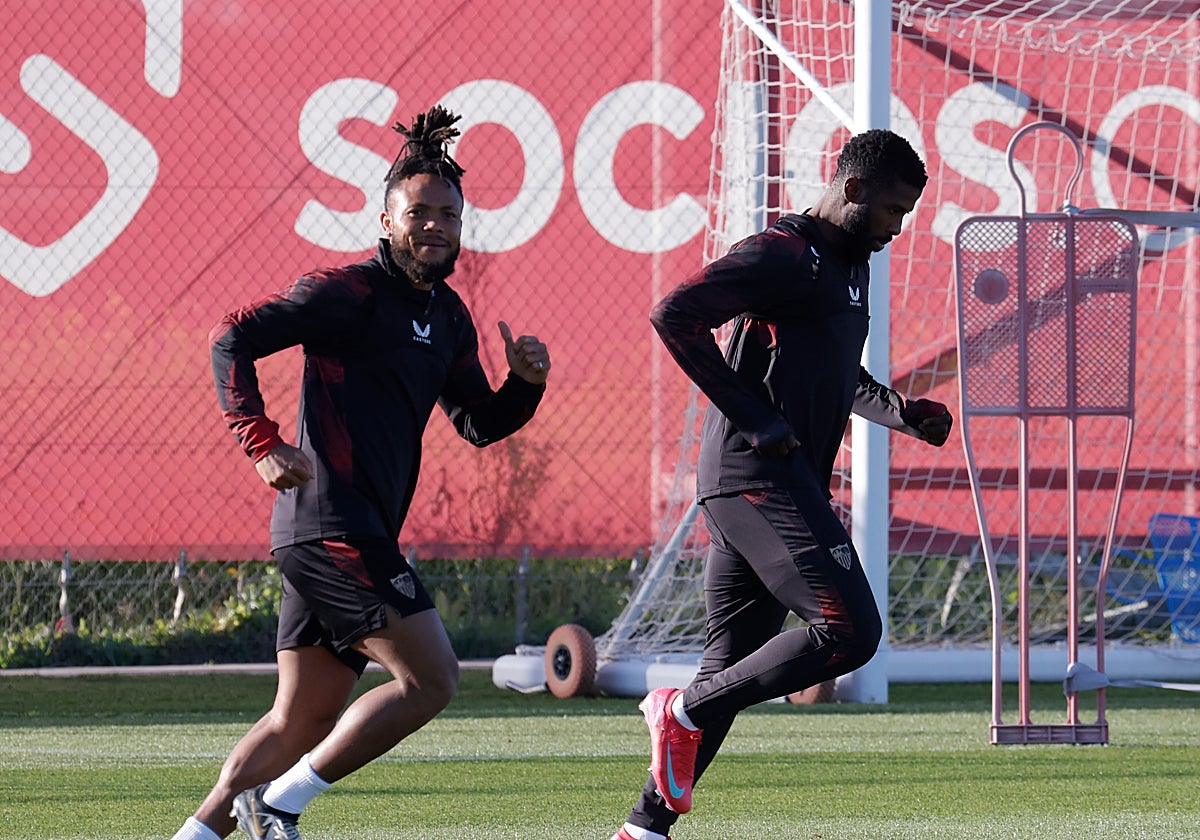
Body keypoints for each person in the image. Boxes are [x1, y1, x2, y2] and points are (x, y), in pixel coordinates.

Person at [171, 105, 550, 840]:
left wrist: (525, 384)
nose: (435, 225)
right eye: (419, 212)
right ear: (385, 220)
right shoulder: (344, 292)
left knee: (301, 716)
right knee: (433, 680)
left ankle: (198, 835)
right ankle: (280, 804)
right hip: (330, 524)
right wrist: (260, 440)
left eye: (449, 214)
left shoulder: (448, 318)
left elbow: (477, 423)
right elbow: (230, 338)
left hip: (350, 530)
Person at [611, 129, 952, 840]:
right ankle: (678, 708)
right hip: (755, 480)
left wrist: (902, 414)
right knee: (851, 631)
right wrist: (754, 418)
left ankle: (642, 831)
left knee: (733, 666)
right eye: (891, 211)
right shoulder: (785, 252)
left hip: (777, 483)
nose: (897, 229)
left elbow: (832, 371)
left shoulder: (851, 265)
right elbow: (674, 315)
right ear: (853, 190)